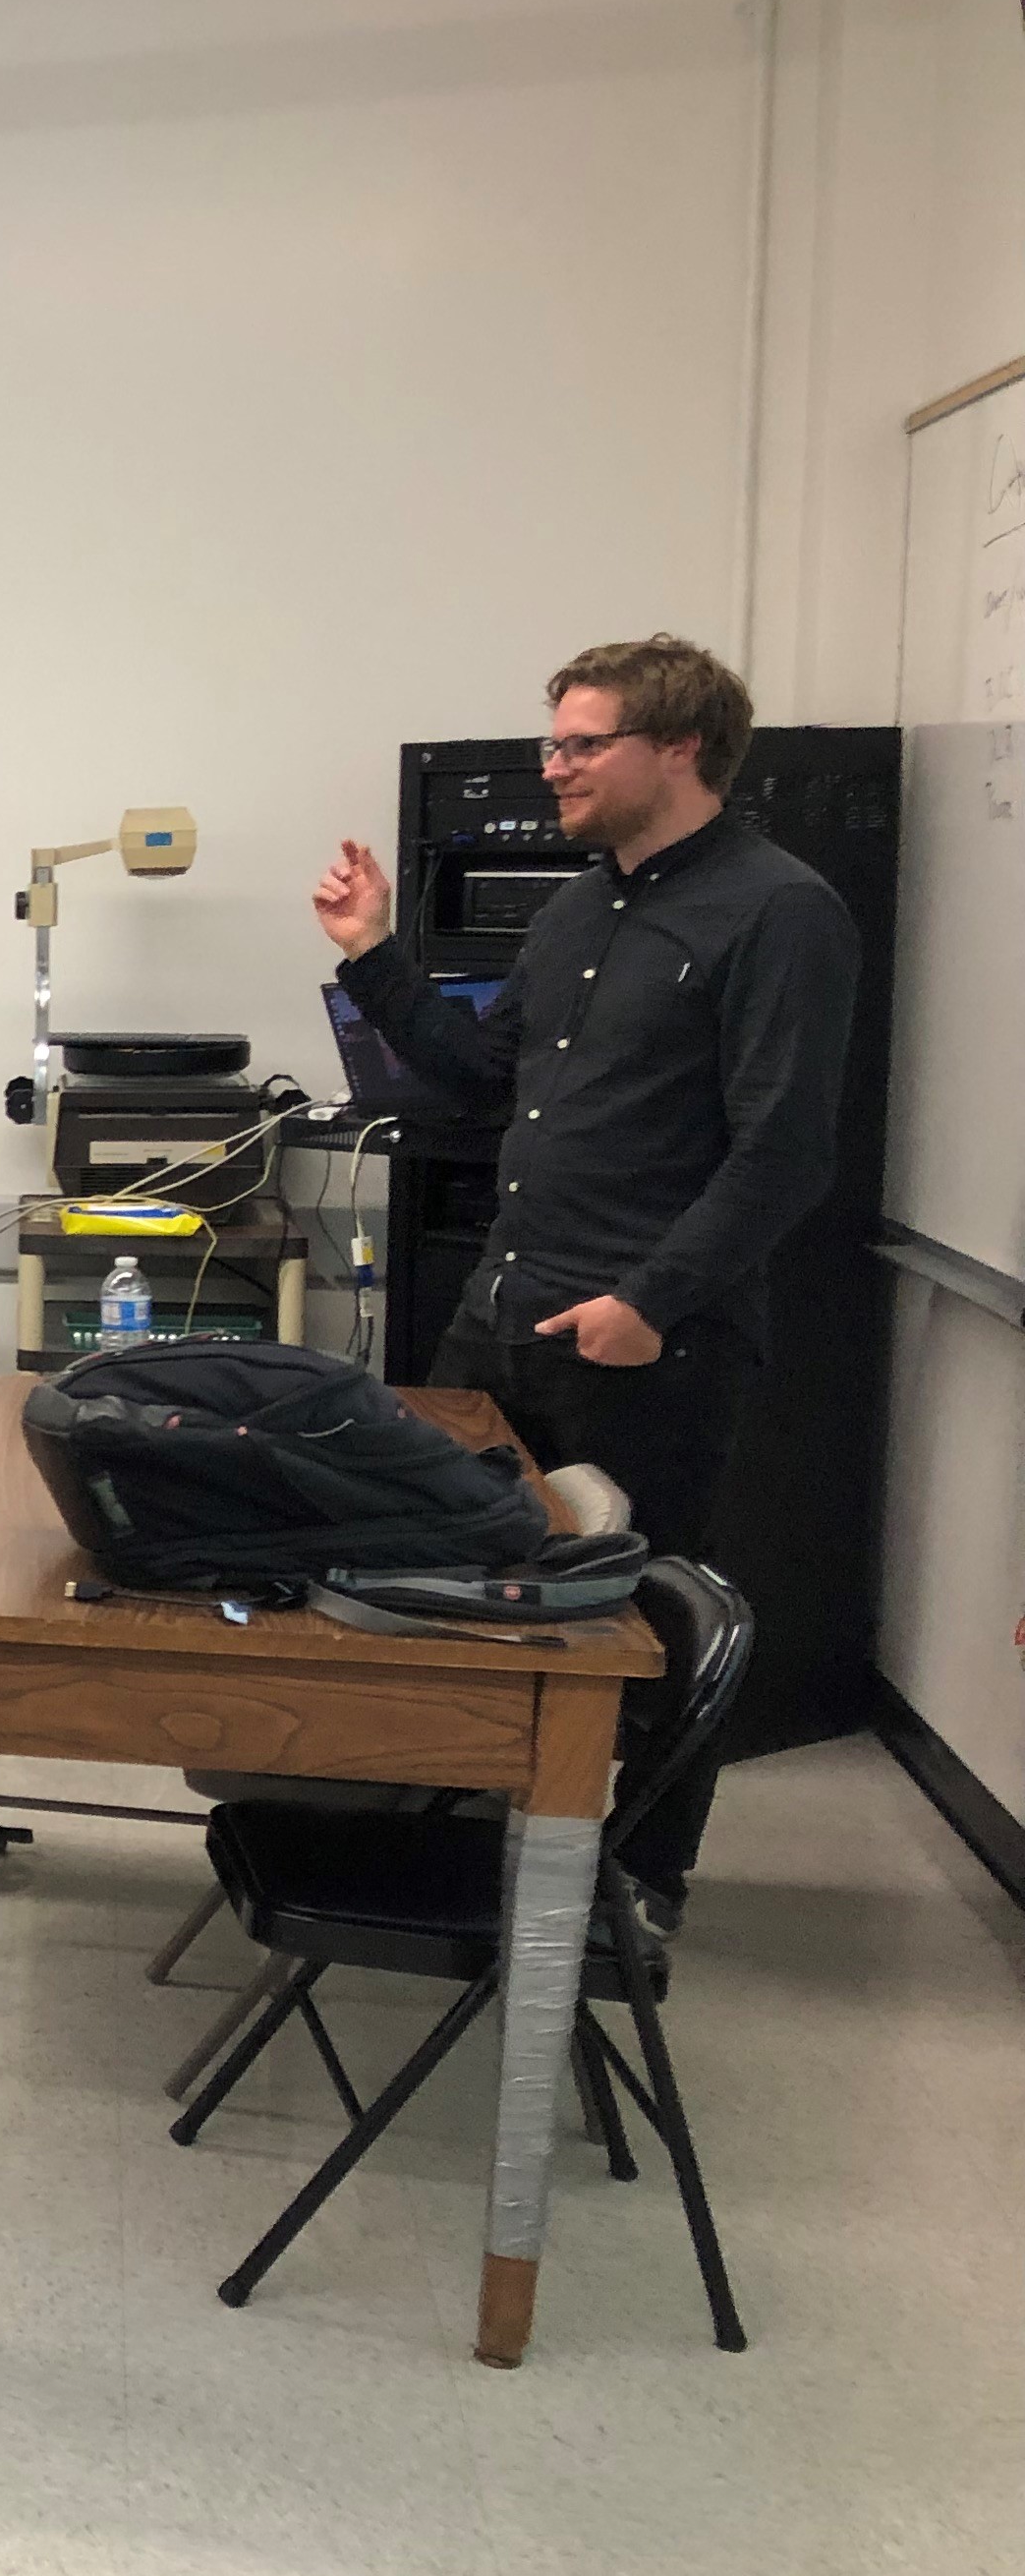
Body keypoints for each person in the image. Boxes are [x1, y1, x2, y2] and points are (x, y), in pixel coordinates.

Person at [313, 634, 859, 1922]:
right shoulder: (579, 906)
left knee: (642, 1611)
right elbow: (481, 1076)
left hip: (648, 1341)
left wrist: (651, 1301)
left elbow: (785, 1156)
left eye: (580, 743)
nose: (551, 767)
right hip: (504, 1315)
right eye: (550, 741)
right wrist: (374, 952)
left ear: (678, 748)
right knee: (448, 1574)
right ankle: (452, 1847)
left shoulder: (782, 912)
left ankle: (633, 1893)